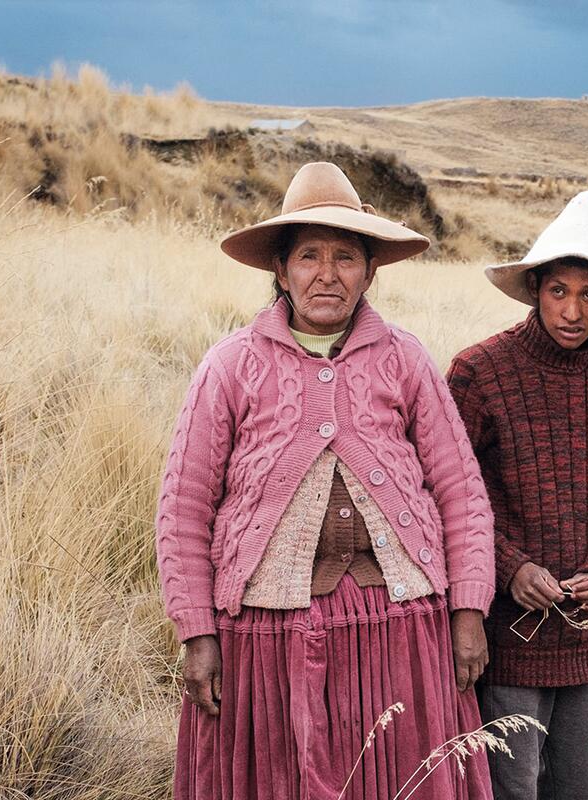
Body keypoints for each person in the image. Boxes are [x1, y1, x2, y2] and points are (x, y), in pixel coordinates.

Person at [156, 161, 496, 800]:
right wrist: (197, 631)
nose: (327, 273)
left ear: (371, 271)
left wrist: (468, 611)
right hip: (265, 632)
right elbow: (183, 509)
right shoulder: (229, 367)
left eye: (346, 256)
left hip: (397, 623)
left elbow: (462, 494)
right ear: (279, 271)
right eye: (308, 256)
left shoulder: (406, 360)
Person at [446, 191, 588, 800]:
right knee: (510, 787)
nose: (572, 310)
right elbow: (450, 495)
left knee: (576, 785)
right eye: (559, 291)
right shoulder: (478, 372)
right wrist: (510, 567)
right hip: (510, 632)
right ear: (537, 289)